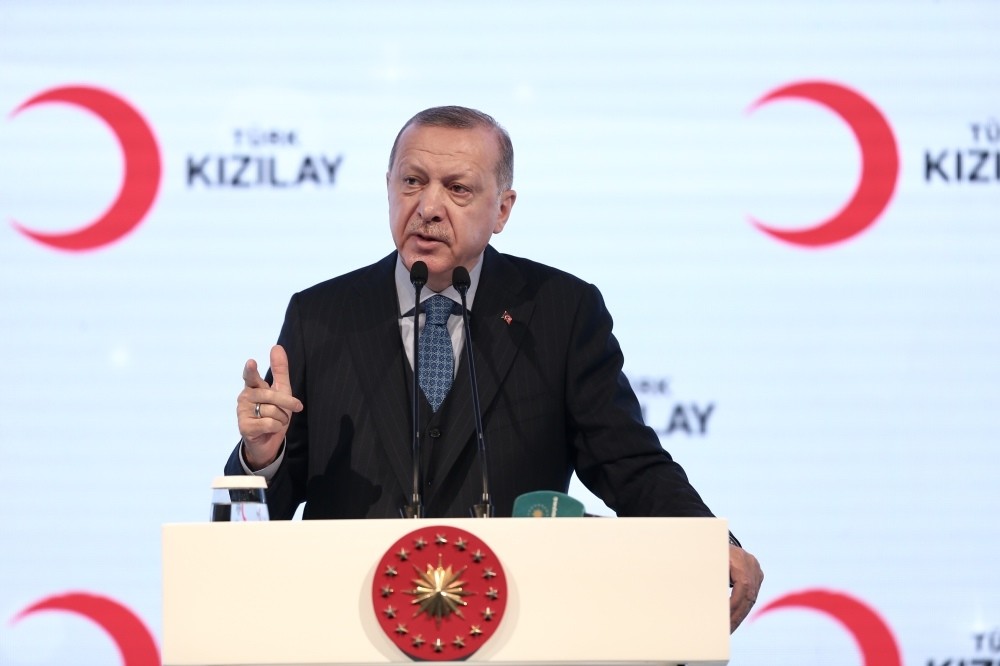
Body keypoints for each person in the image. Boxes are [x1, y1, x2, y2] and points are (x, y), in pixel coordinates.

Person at [227, 105, 763, 631]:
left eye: (458, 189)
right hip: (351, 627)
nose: (428, 207)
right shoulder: (322, 316)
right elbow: (245, 528)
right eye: (412, 181)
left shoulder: (560, 312)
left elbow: (627, 463)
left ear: (503, 210)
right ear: (388, 186)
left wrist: (707, 541)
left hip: (512, 626)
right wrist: (261, 457)